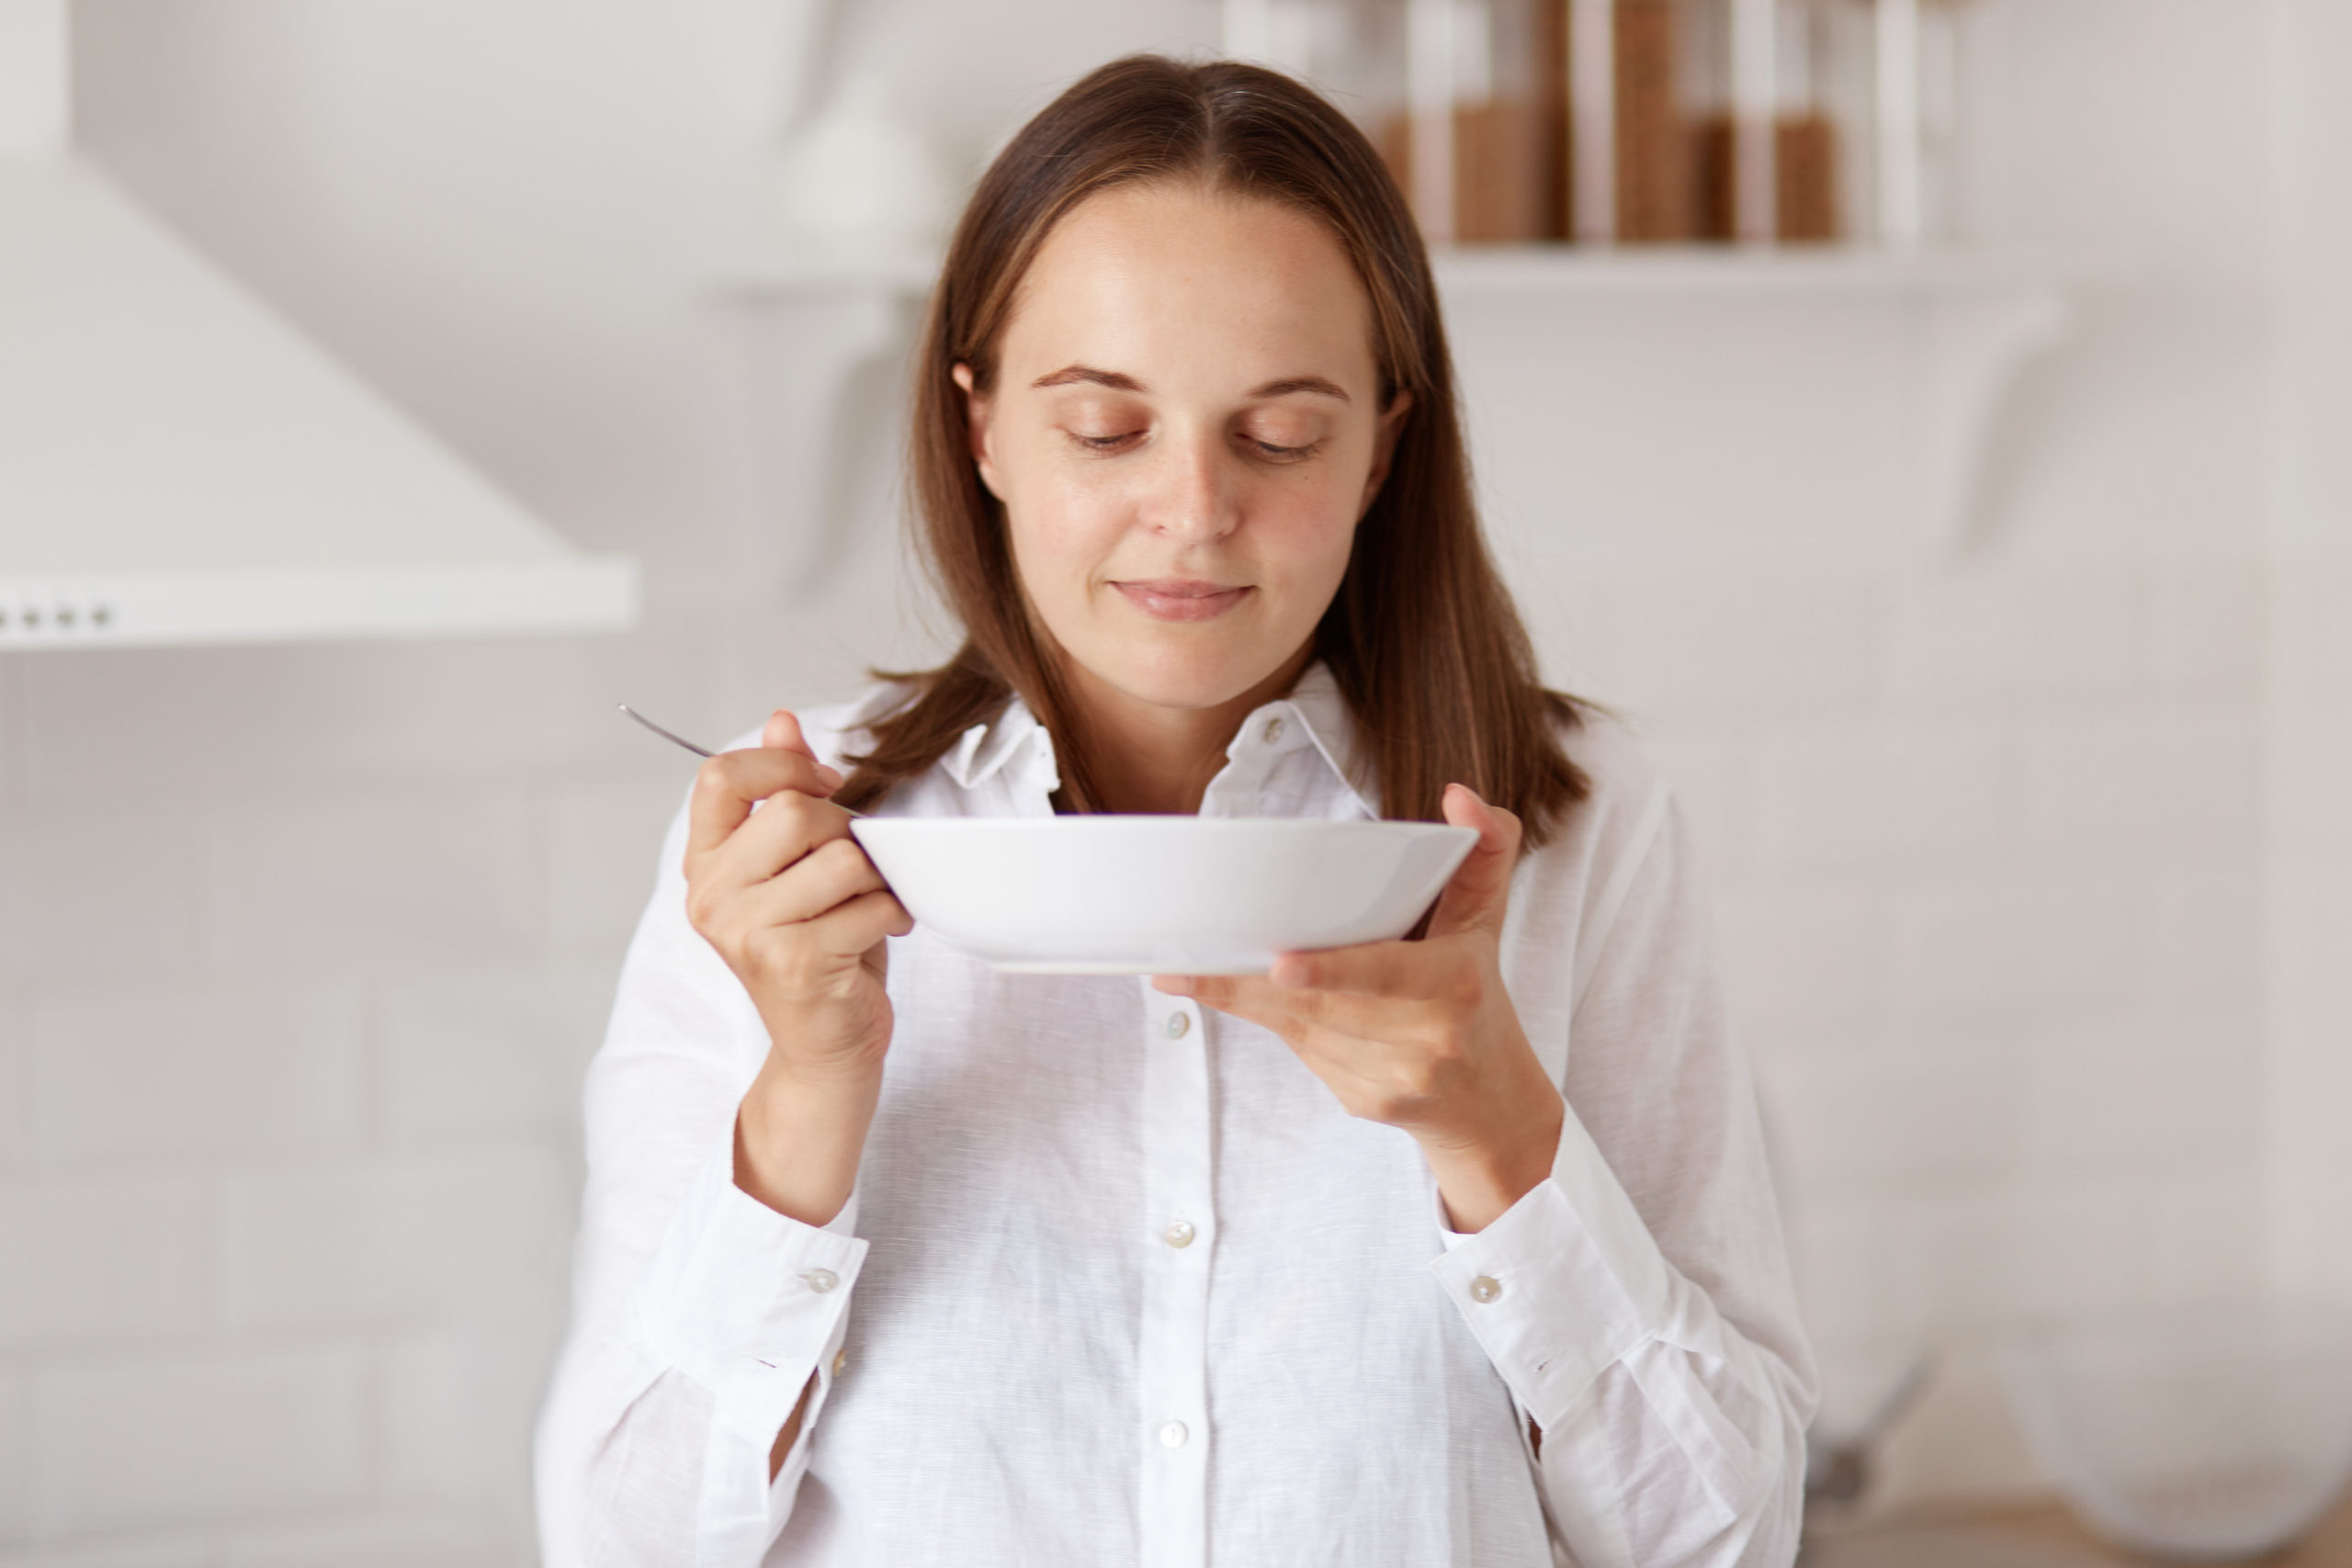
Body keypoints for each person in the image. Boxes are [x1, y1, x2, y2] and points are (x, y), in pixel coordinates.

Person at [534, 51, 1817, 1568]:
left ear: (1384, 451)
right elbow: (621, 1546)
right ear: (984, 432)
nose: (1196, 510)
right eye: (1103, 427)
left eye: (1279, 436)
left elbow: (1725, 1541)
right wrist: (809, 1090)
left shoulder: (1575, 832)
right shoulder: (793, 866)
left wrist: (1501, 1136)